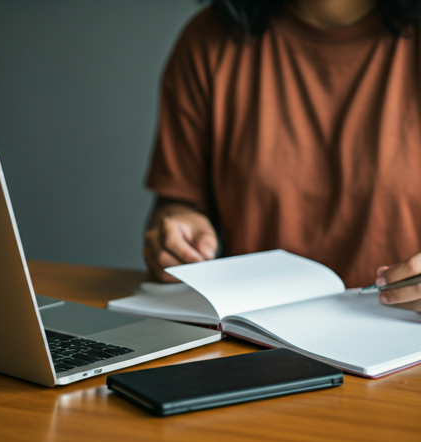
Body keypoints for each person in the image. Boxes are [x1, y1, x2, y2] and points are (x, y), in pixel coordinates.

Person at [143, 0, 421, 312]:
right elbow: (176, 203)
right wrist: (179, 234)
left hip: (404, 334)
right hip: (251, 336)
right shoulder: (210, 38)